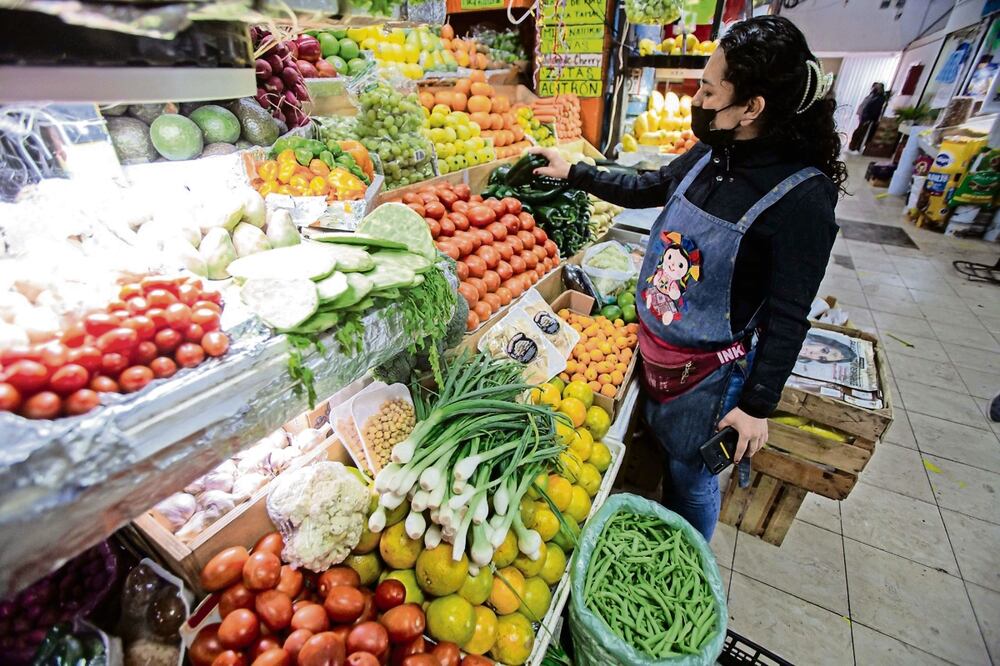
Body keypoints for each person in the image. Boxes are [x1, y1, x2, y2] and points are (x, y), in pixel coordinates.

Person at [529, 15, 844, 539]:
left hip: (711, 379)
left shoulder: (803, 200)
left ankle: (687, 556)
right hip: (656, 351)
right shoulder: (716, 149)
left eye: (708, 89)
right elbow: (653, 185)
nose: (697, 97)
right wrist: (576, 173)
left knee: (688, 475)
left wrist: (755, 406)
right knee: (662, 451)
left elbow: (790, 318)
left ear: (751, 108)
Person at [849, 82, 887, 153]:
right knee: (858, 132)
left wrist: (870, 118)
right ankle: (852, 147)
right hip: (864, 116)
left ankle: (857, 148)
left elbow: (876, 109)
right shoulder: (872, 95)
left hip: (869, 118)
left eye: (877, 87)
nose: (875, 88)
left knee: (863, 133)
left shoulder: (881, 98)